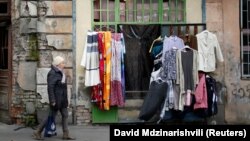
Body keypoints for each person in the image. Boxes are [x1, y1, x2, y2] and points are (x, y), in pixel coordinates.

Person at [33, 56, 75, 140]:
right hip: (56, 99)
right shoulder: (53, 73)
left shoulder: (61, 72)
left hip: (63, 99)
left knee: (65, 114)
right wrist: (52, 100)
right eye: (62, 63)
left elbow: (63, 87)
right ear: (58, 64)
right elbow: (50, 88)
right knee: (50, 116)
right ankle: (37, 131)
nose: (64, 64)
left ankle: (66, 134)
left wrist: (66, 99)